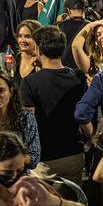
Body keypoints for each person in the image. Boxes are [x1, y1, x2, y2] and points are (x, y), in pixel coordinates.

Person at [22, 25, 86, 183]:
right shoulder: (78, 76)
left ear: (39, 51)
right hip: (74, 154)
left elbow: (27, 125)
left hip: (45, 160)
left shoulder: (30, 83)